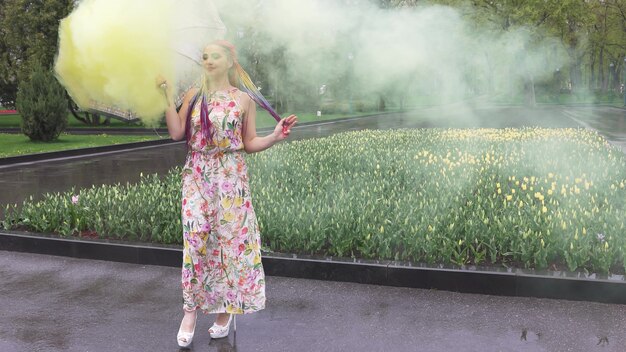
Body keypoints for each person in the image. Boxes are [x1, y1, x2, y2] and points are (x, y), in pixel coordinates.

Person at [158, 40, 297, 348]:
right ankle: (190, 311)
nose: (208, 60)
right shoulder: (194, 95)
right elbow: (176, 132)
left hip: (231, 178)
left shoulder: (243, 100)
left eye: (214, 56)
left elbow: (249, 142)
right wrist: (167, 96)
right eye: (204, 56)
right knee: (196, 241)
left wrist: (274, 136)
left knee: (228, 244)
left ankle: (223, 312)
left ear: (230, 61)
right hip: (197, 176)